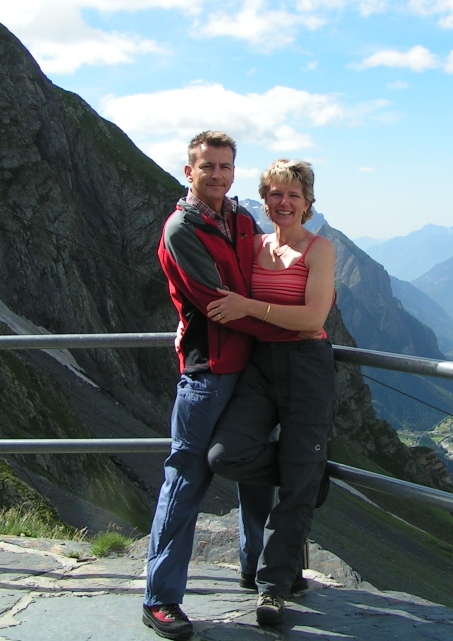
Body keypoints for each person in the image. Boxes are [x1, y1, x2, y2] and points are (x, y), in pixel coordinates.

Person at [144, 131, 290, 640]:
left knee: (253, 469)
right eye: (207, 166)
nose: (217, 175)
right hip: (210, 371)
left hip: (251, 368)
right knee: (186, 478)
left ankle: (257, 569)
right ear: (189, 171)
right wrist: (288, 324)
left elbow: (258, 280)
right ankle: (161, 598)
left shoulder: (242, 219)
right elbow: (216, 303)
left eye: (225, 166)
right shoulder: (181, 229)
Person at [206, 158, 338, 627]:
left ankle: (273, 588)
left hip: (307, 365)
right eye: (276, 194)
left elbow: (312, 319)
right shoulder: (254, 246)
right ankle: (307, 474)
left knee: (296, 487)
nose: (284, 202)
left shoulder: (319, 250)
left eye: (293, 195)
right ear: (264, 201)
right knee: (226, 455)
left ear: (307, 203)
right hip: (261, 364)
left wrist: (248, 306)